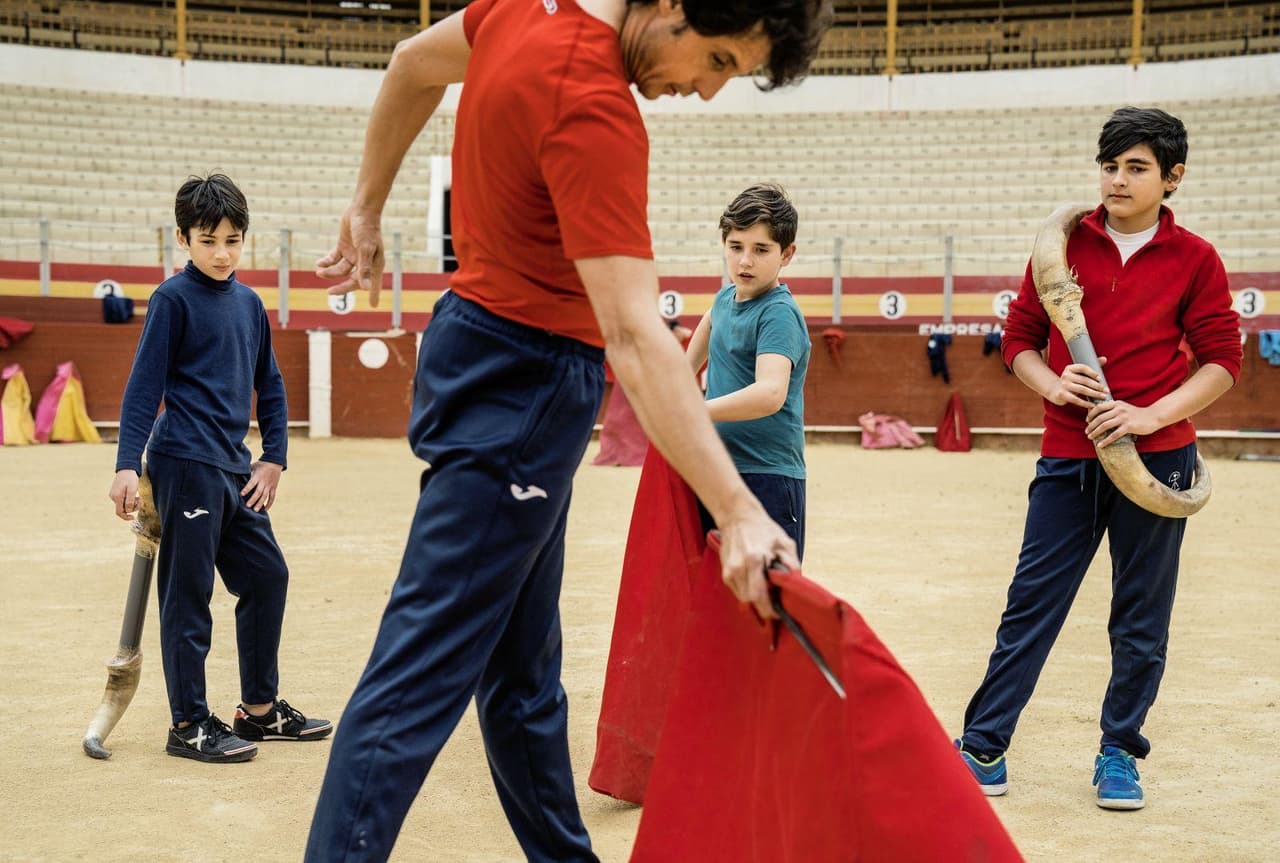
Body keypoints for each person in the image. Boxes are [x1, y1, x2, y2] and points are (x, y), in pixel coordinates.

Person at [303, 0, 831, 860]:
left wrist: (366, 207)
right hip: (529, 383)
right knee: (417, 676)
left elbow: (408, 63)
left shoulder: (519, 11)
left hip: (476, 347)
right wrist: (736, 508)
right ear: (672, 6)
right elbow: (631, 333)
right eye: (719, 61)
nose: (704, 92)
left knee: (521, 674)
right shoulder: (595, 106)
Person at [954, 107, 1242, 810]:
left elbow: (1223, 362)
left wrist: (1150, 414)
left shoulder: (1196, 258)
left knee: (1141, 616)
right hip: (1068, 452)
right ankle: (984, 747)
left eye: (1136, 167)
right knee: (1032, 603)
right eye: (1109, 165)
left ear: (1172, 179)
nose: (1116, 179)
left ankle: (1120, 751)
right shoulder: (1062, 245)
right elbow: (1019, 338)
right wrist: (1053, 382)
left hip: (1158, 460)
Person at [108, 174, 331, 764]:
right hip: (184, 463)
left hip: (234, 469)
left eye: (233, 240)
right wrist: (128, 465)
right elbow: (142, 389)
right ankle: (188, 722)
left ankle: (258, 712)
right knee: (189, 595)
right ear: (183, 238)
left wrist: (275, 457)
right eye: (209, 240)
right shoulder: (171, 300)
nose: (223, 252)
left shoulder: (250, 303)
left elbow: (273, 387)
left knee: (266, 577)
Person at [686, 183, 811, 559]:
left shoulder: (778, 313)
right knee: (716, 599)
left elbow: (770, 393)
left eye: (761, 250)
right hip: (716, 470)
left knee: (765, 604)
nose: (745, 261)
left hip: (767, 476)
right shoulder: (723, 300)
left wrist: (693, 412)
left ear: (786, 254)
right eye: (736, 247)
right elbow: (685, 364)